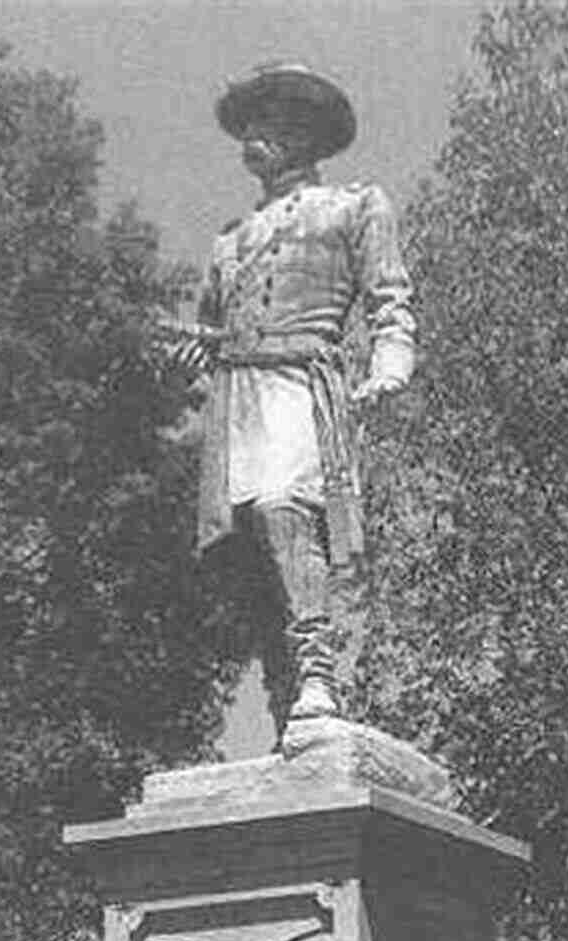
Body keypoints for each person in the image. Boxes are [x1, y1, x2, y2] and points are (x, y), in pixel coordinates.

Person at [183, 63, 416, 735]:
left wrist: (389, 368)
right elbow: (208, 337)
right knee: (249, 545)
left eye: (272, 121)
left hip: (302, 384)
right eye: (250, 123)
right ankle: (287, 698)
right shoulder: (230, 238)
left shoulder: (355, 206)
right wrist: (185, 355)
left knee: (286, 506)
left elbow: (390, 302)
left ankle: (318, 671)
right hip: (237, 397)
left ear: (308, 133)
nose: (254, 137)